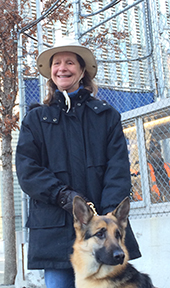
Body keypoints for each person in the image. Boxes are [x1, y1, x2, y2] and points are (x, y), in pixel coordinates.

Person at [16, 37, 141, 288]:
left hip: (101, 236)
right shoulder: (35, 119)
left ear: (82, 70)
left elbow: (117, 169)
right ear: (50, 72)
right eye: (57, 63)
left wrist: (106, 217)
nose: (62, 68)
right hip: (54, 230)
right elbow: (27, 170)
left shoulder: (107, 116)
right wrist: (63, 195)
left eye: (70, 62)